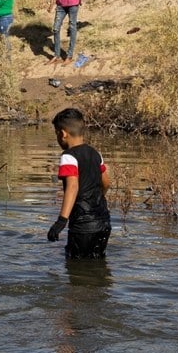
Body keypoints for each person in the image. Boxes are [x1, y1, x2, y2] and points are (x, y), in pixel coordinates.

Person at [47, 108, 111, 258]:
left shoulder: (69, 156)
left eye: (56, 133)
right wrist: (95, 201)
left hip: (83, 226)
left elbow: (72, 187)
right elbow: (106, 183)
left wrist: (61, 222)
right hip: (103, 222)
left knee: (76, 269)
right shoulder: (96, 153)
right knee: (97, 265)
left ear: (63, 134)